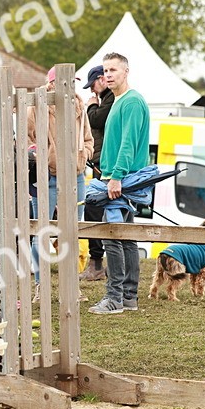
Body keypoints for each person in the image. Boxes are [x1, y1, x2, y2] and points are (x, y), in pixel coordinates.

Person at [89, 53, 150, 315]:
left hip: (121, 179)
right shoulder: (118, 101)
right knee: (126, 238)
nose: (108, 74)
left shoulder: (132, 101)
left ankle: (116, 298)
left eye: (113, 69)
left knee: (114, 238)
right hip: (115, 177)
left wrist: (116, 176)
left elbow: (128, 142)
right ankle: (128, 297)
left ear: (126, 71)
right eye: (105, 70)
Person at [25, 66, 94, 297]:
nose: (71, 86)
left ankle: (71, 285)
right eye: (66, 82)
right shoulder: (37, 104)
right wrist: (42, 156)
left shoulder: (79, 106)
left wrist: (84, 153)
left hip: (75, 174)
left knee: (73, 230)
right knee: (41, 232)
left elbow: (88, 137)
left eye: (73, 82)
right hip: (46, 175)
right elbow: (26, 138)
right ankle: (40, 284)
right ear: (52, 83)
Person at [78, 64, 114, 281]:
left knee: (93, 208)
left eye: (93, 85)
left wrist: (91, 107)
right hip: (103, 163)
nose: (92, 91)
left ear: (101, 79)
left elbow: (96, 120)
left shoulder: (109, 99)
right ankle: (101, 263)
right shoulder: (109, 98)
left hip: (106, 166)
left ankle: (97, 263)